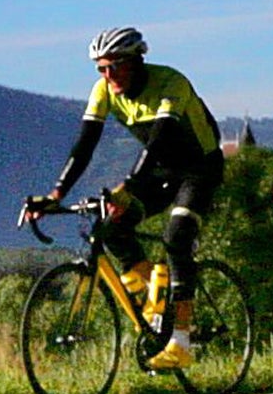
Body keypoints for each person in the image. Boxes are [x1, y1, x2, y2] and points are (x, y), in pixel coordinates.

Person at [28, 26, 223, 370]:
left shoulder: (170, 83)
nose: (108, 75)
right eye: (101, 69)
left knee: (176, 236)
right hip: (160, 172)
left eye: (115, 66)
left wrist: (127, 187)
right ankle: (155, 295)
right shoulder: (104, 90)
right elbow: (85, 144)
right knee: (110, 226)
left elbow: (159, 141)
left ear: (137, 61)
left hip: (199, 168)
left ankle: (181, 340)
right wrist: (55, 194)